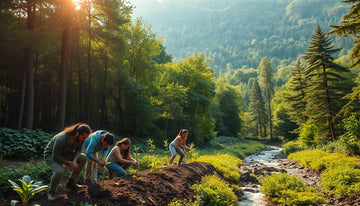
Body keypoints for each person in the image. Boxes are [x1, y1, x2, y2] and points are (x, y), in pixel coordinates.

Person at [44, 123, 92, 201]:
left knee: (83, 158)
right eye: (83, 137)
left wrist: (74, 161)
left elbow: (79, 150)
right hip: (51, 155)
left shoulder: (80, 139)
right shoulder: (62, 139)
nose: (84, 140)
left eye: (86, 138)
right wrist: (69, 163)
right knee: (60, 171)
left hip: (66, 153)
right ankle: (51, 191)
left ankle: (71, 183)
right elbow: (55, 156)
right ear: (77, 133)